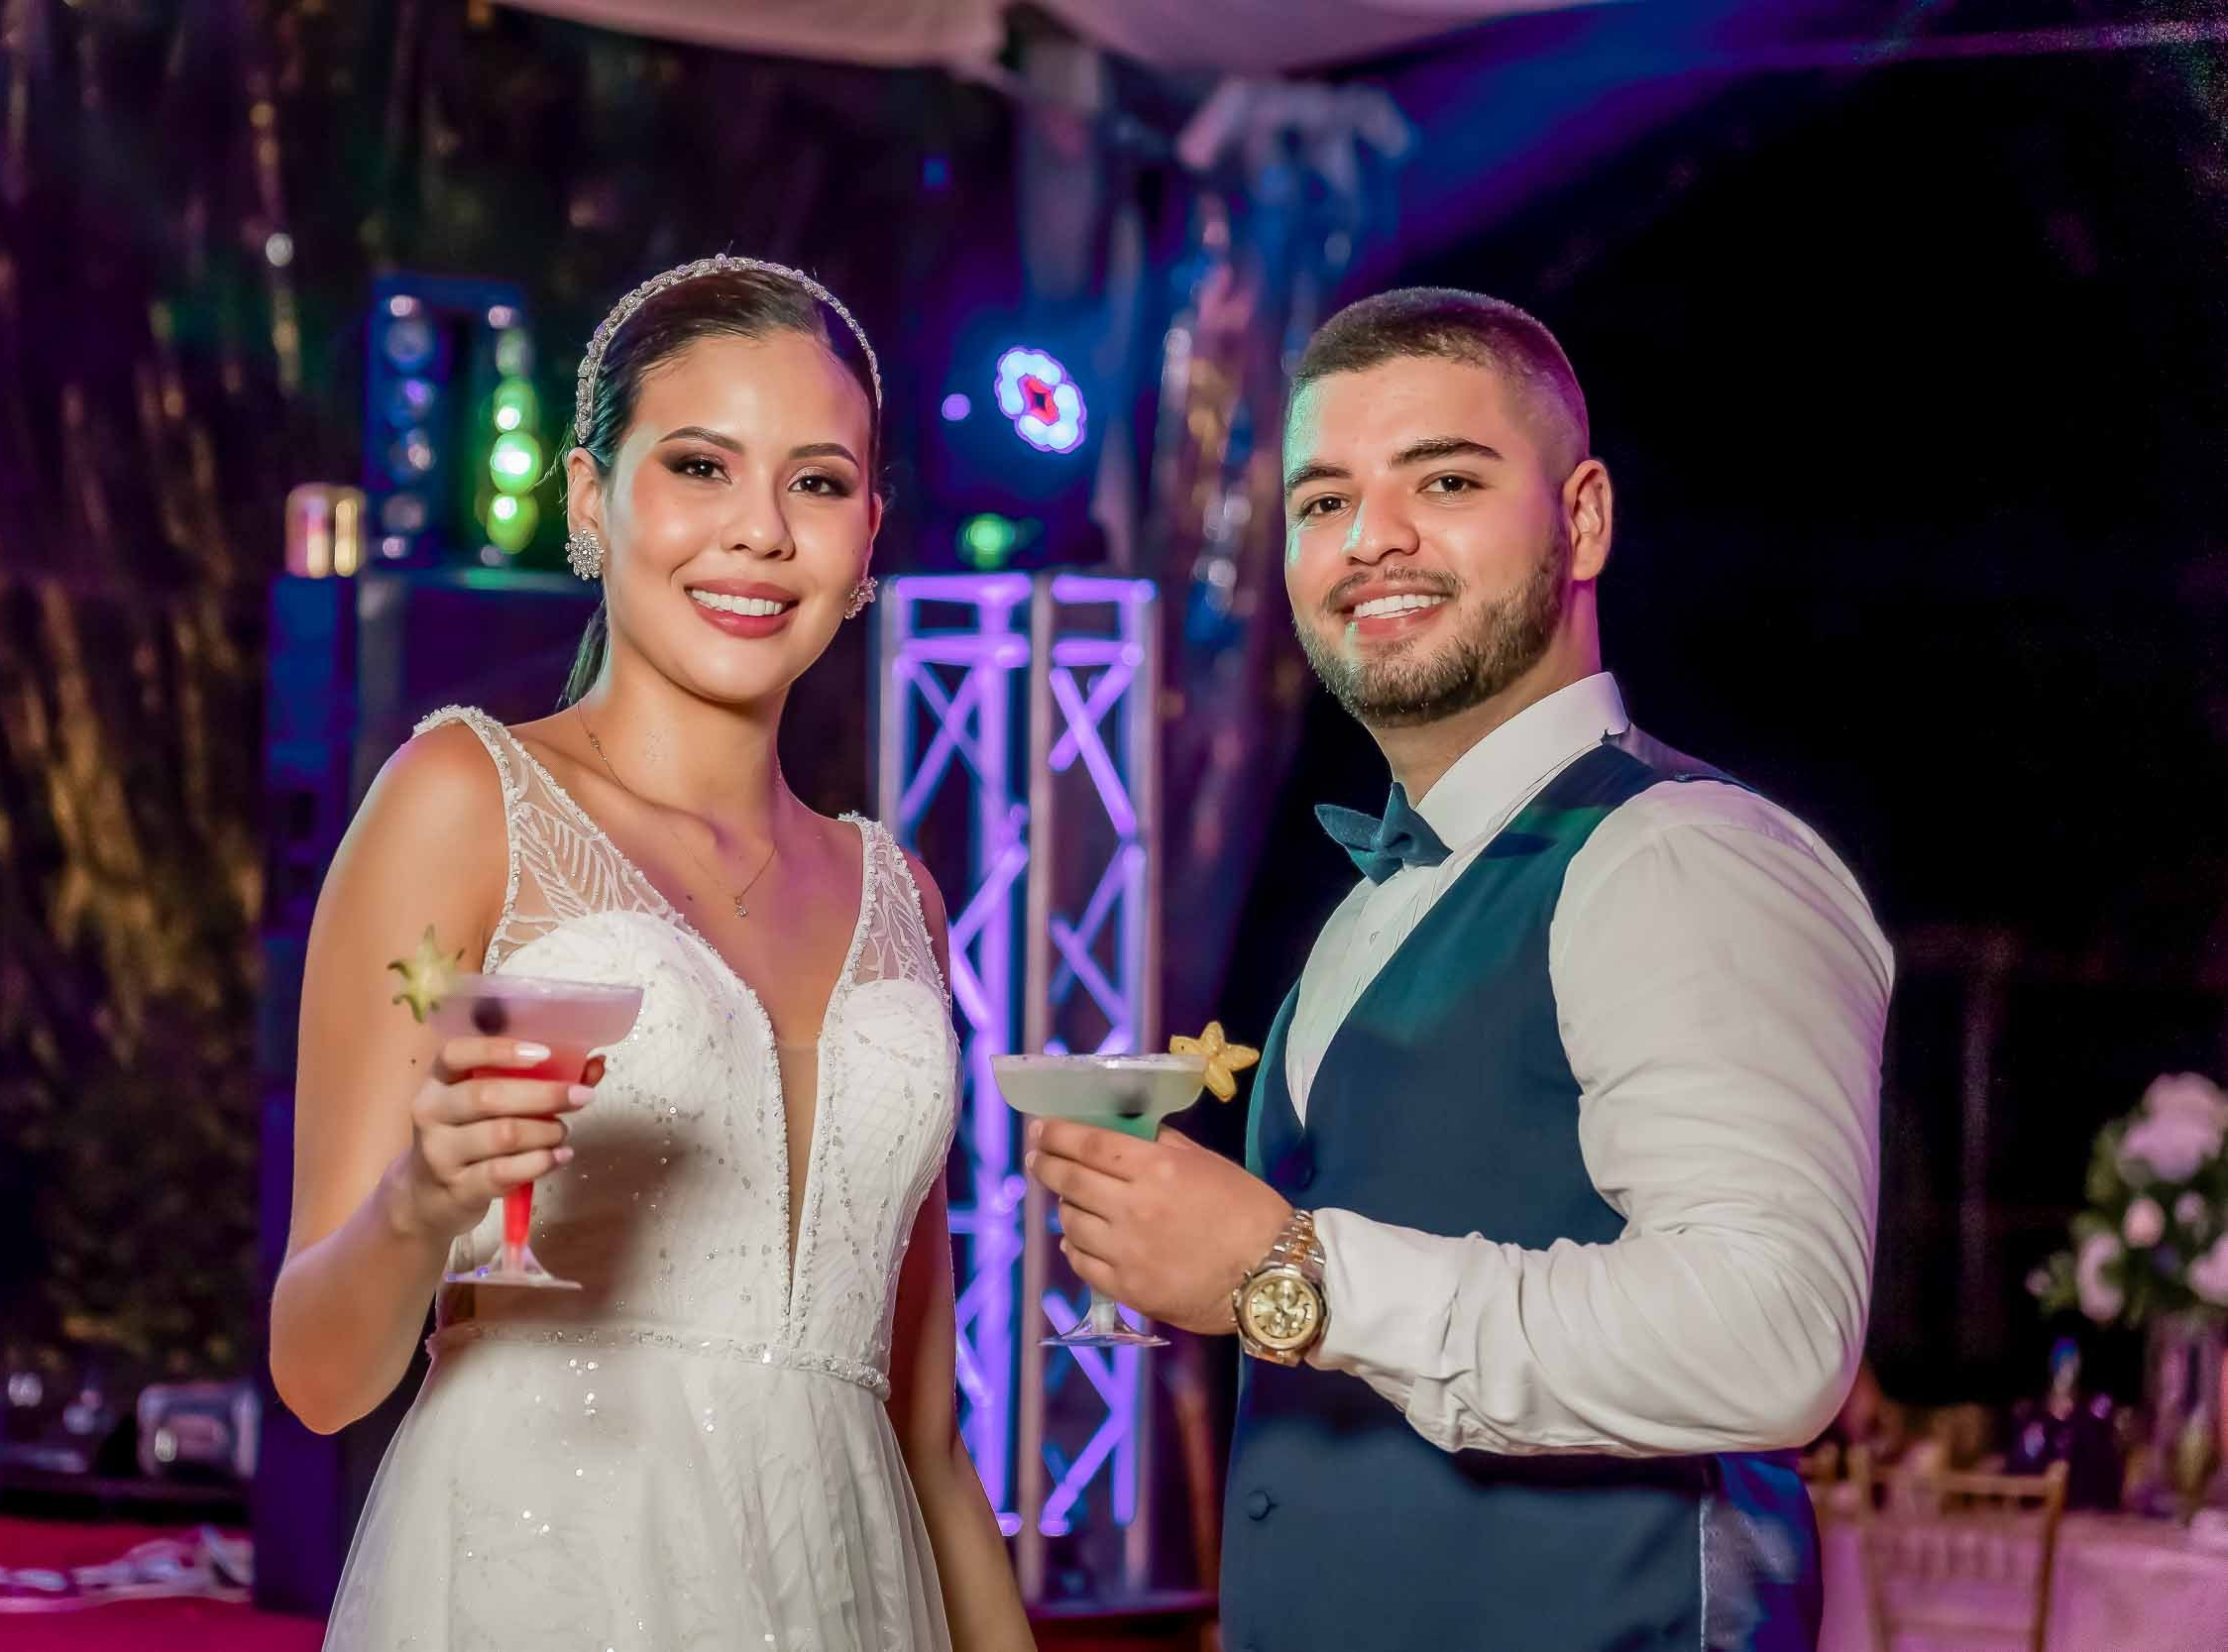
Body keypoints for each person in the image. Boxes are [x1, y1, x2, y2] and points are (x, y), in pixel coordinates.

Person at [1027, 287, 1890, 1650]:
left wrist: (1285, 1271)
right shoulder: (1374, 903)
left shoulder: (1678, 857)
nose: (1372, 538)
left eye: (1445, 479)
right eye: (1324, 502)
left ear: (1585, 518)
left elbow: (1773, 1339)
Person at [270, 256, 1032, 1651]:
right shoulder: (461, 799)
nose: (758, 533)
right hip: (544, 1578)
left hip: (847, 1588)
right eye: (699, 466)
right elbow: (318, 1376)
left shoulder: (900, 894)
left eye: (814, 483)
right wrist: (418, 1205)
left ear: (869, 535)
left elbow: (928, 1443)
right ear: (587, 501)